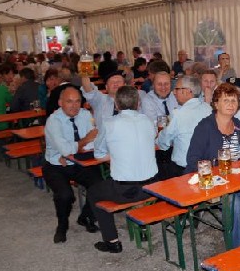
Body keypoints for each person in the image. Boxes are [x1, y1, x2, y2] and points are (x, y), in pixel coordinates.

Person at [186, 83, 240, 247]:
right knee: (234, 205)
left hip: (234, 179)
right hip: (210, 180)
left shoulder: (238, 125)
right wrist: (214, 170)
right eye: (226, 100)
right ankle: (235, 249)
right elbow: (192, 159)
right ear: (216, 104)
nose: (231, 104)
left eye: (234, 100)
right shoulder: (205, 126)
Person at [88, 86, 159, 253]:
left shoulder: (109, 124)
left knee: (93, 192)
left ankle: (112, 241)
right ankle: (142, 226)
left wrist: (117, 154)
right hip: (153, 187)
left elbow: (99, 155)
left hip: (126, 191)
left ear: (116, 104)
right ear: (138, 103)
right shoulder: (147, 121)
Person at [43, 87, 99, 243]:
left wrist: (72, 149)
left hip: (80, 161)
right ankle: (62, 226)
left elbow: (95, 141)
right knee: (65, 195)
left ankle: (86, 217)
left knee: (99, 185)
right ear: (60, 103)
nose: (74, 106)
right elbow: (68, 149)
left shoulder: (85, 114)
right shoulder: (53, 121)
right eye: (69, 101)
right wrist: (83, 141)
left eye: (77, 101)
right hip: (56, 164)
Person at [157, 76, 212, 179]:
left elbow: (163, 143)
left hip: (184, 170)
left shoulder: (179, 114)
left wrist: (159, 136)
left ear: (187, 91)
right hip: (207, 166)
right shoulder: (208, 108)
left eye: (177, 89)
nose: (174, 92)